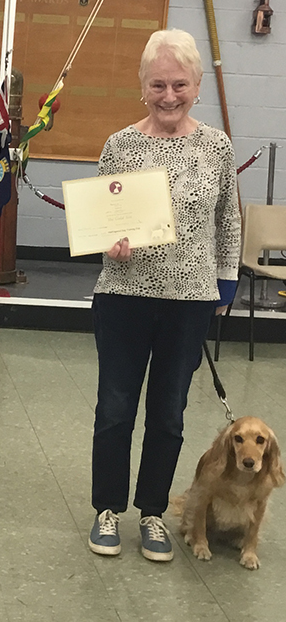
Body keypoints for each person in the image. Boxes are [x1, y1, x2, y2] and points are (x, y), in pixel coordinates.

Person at [87, 29, 241, 562]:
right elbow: (103, 219)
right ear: (142, 86)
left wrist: (225, 283)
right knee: (114, 409)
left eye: (179, 84)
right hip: (124, 295)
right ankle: (107, 509)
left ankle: (152, 512)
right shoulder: (120, 145)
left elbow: (228, 220)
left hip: (190, 300)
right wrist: (109, 243)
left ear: (197, 85)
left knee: (169, 413)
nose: (169, 95)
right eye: (158, 85)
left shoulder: (217, 146)